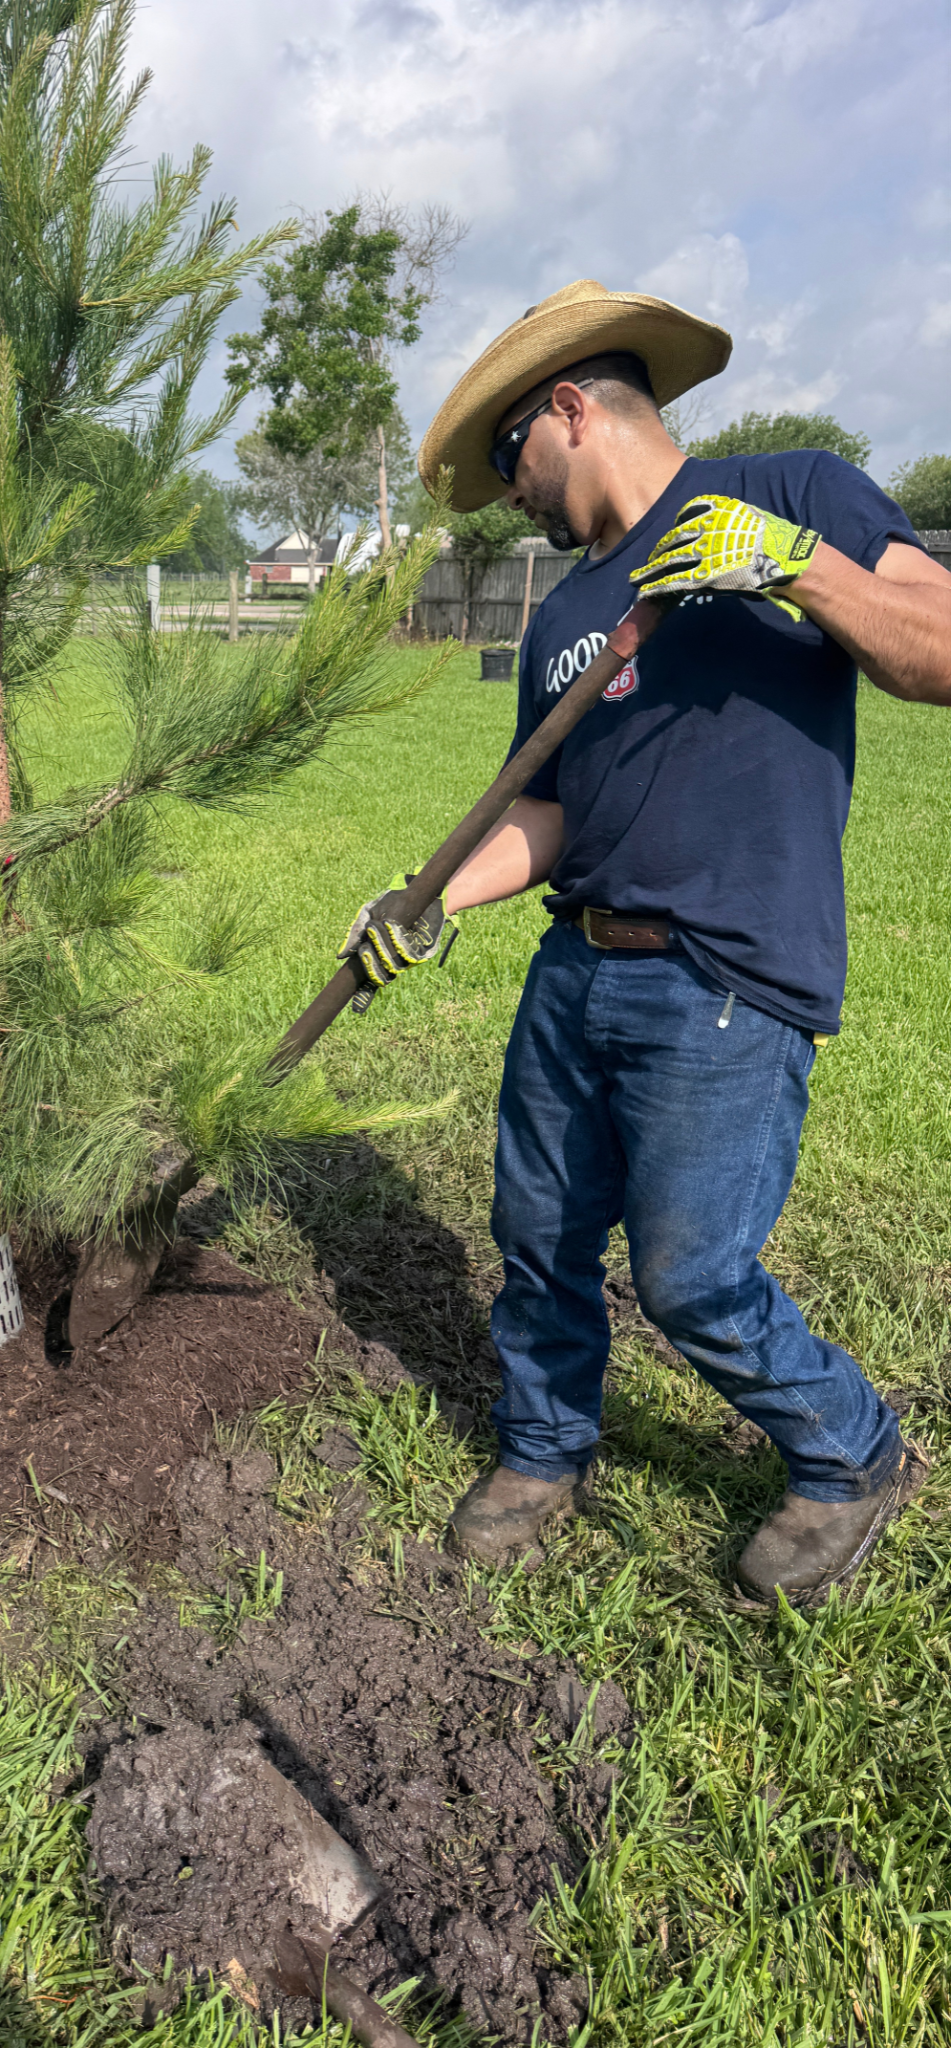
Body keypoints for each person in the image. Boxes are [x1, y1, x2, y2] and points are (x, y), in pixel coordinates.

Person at [341, 280, 951, 1604]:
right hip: (578, 970)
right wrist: (431, 897)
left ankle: (848, 1449)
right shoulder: (564, 620)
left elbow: (939, 650)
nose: (513, 498)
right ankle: (545, 1451)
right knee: (539, 1235)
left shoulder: (794, 489)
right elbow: (547, 813)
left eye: (512, 463)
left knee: (691, 1280)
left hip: (724, 978)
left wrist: (789, 561)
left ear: (571, 407)